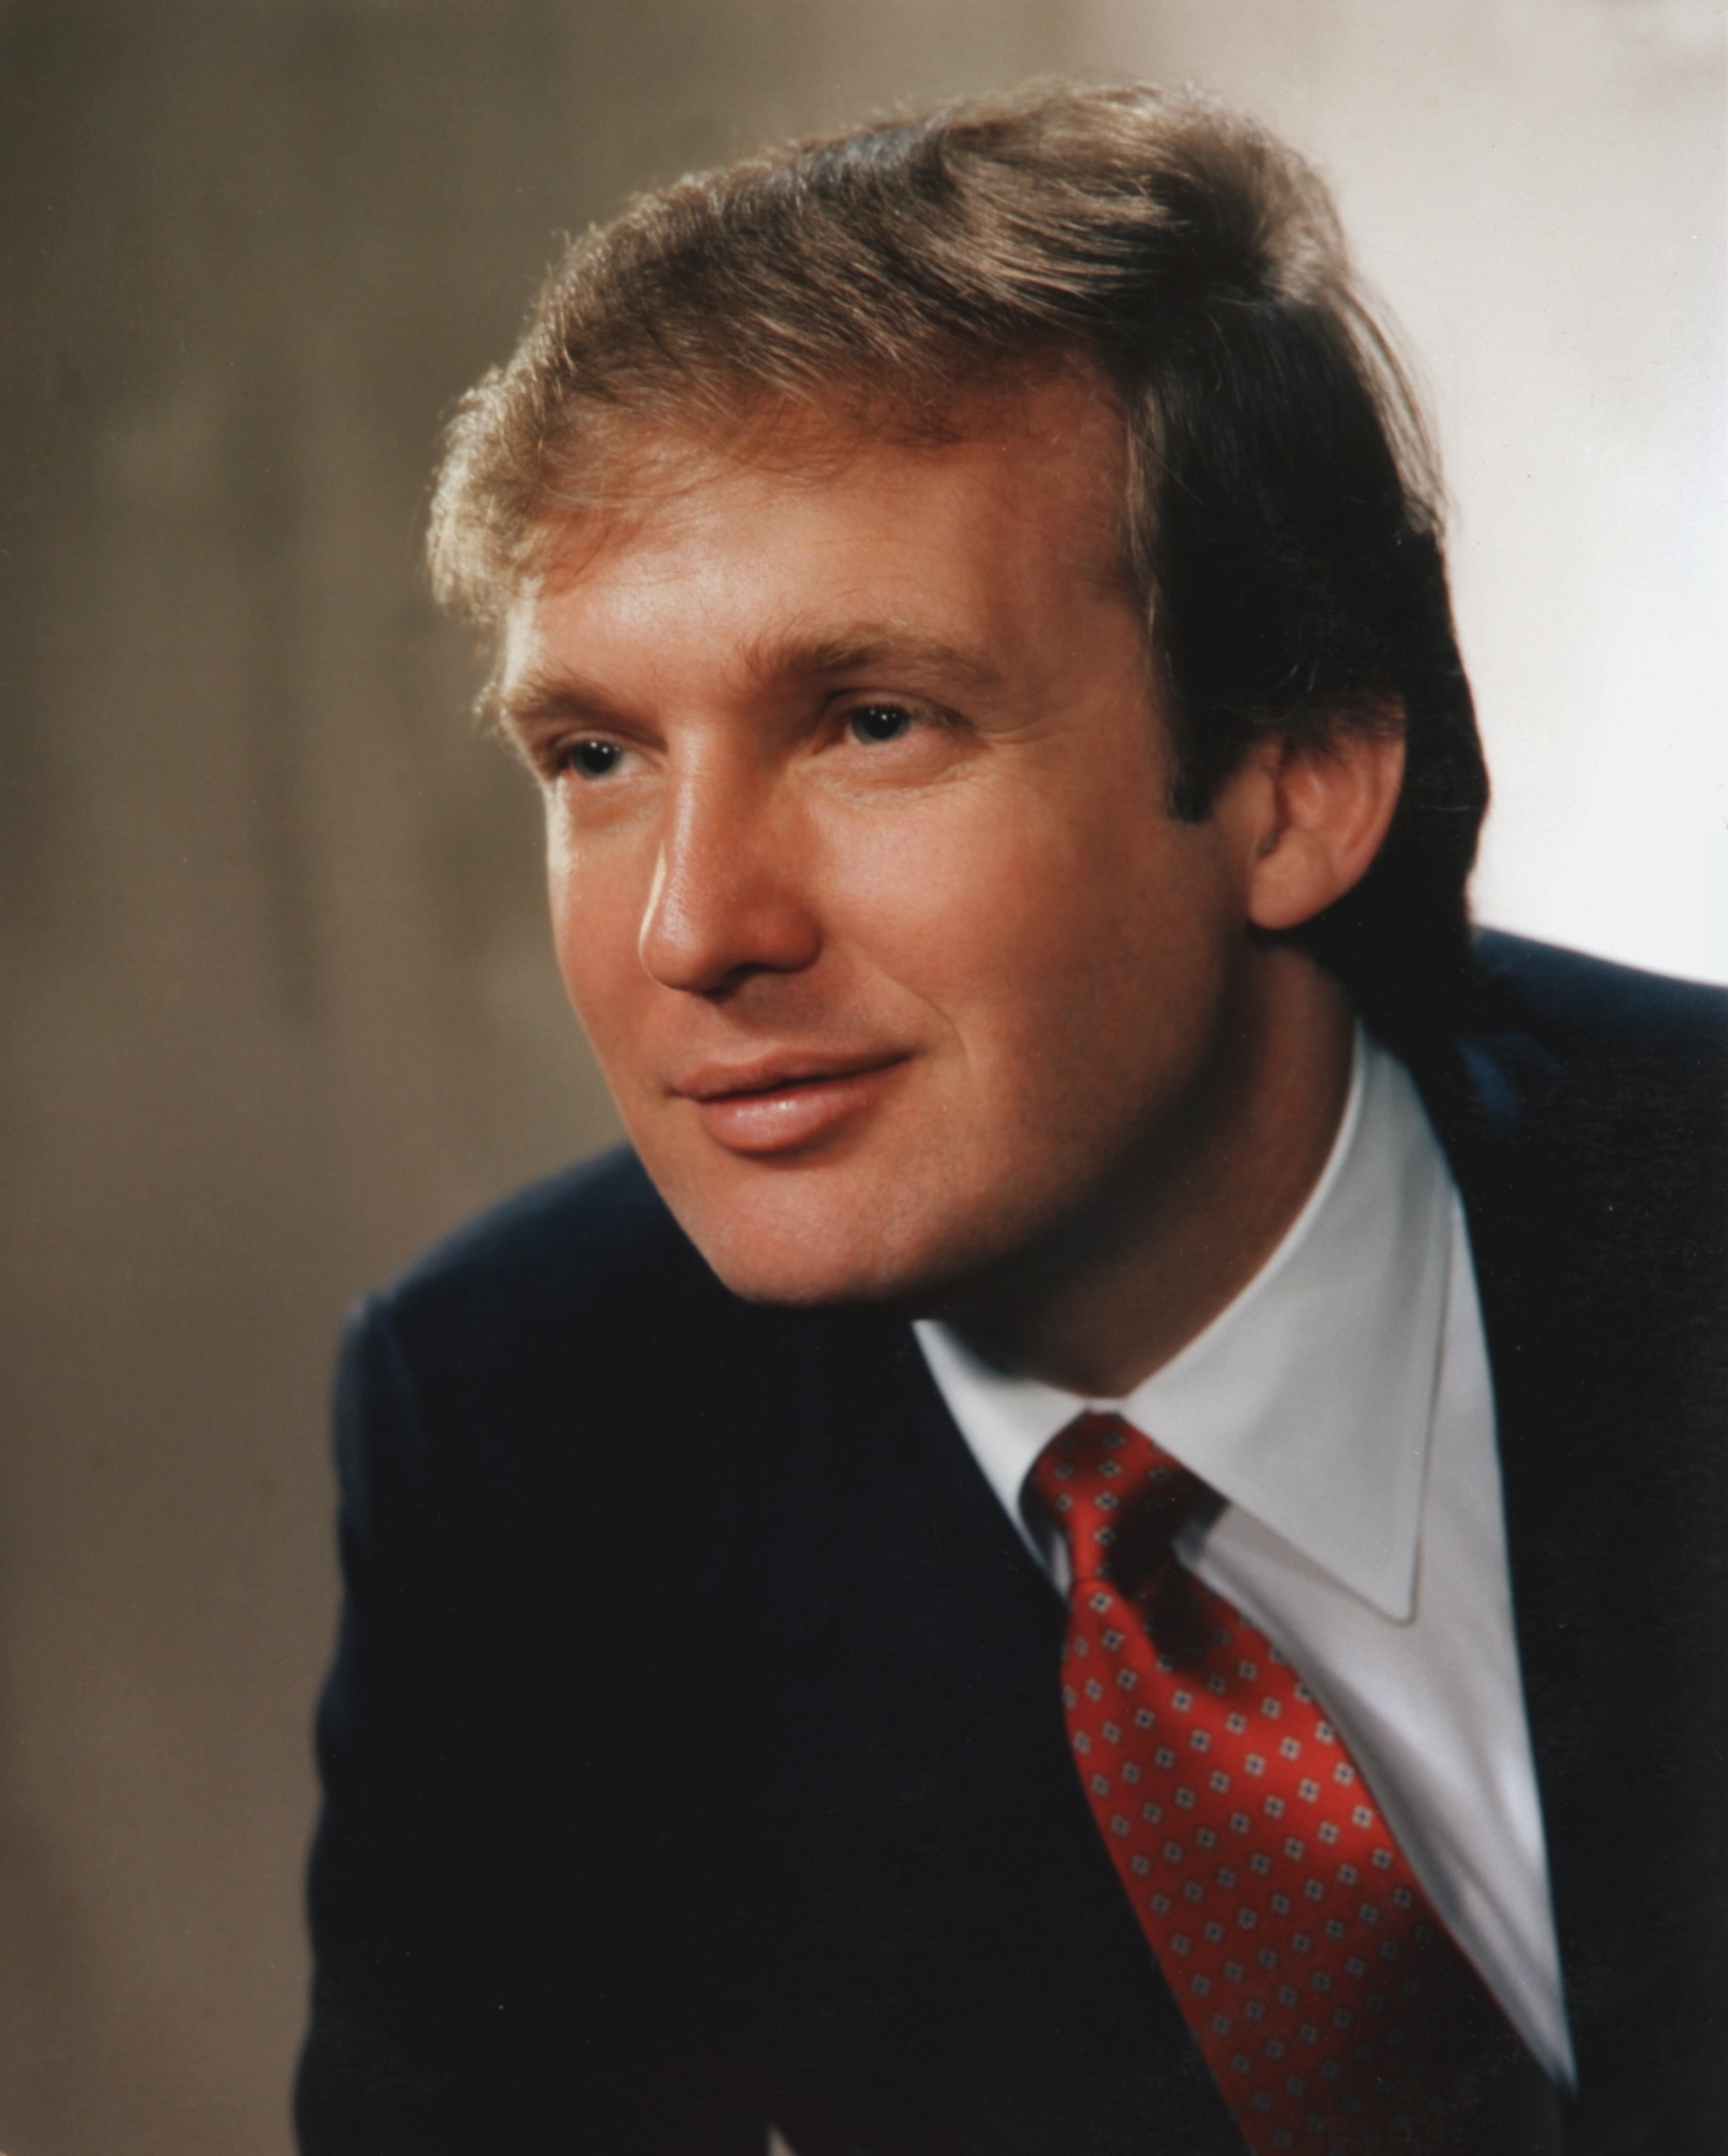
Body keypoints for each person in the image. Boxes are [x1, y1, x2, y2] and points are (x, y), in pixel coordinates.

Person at [294, 83, 1726, 2156]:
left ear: (1299, 775)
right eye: (598, 754)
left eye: (874, 721)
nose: (693, 926)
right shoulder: (521, 1430)